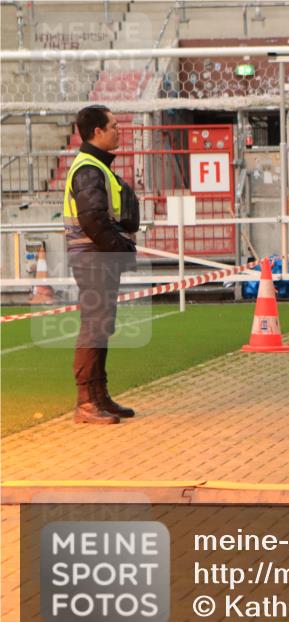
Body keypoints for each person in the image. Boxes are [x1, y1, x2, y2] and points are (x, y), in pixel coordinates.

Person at [64, 105, 141, 424]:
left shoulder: (95, 166)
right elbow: (93, 220)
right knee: (94, 327)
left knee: (101, 326)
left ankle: (98, 396)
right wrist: (121, 249)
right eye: (114, 126)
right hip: (94, 257)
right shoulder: (89, 169)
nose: (119, 130)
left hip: (97, 256)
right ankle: (86, 402)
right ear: (97, 131)